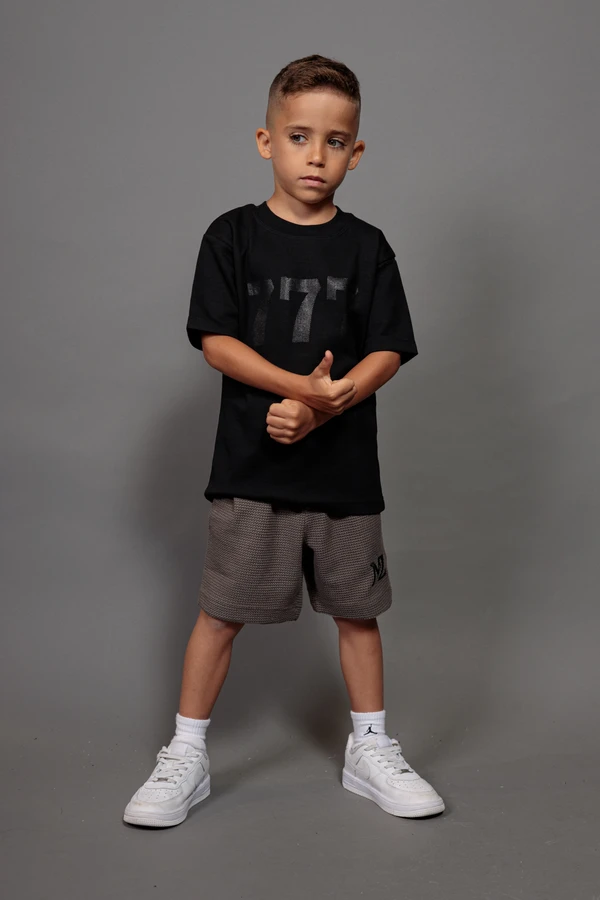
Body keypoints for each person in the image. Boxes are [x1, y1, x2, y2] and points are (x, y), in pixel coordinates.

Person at [123, 53, 445, 828]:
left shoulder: (368, 247)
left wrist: (328, 407)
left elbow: (388, 350)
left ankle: (370, 747)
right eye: (299, 136)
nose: (316, 155)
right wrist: (299, 389)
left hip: (344, 477)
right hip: (252, 470)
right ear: (266, 141)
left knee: (358, 614)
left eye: (335, 141)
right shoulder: (232, 237)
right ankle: (186, 754)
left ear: (355, 152)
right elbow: (217, 343)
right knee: (219, 614)